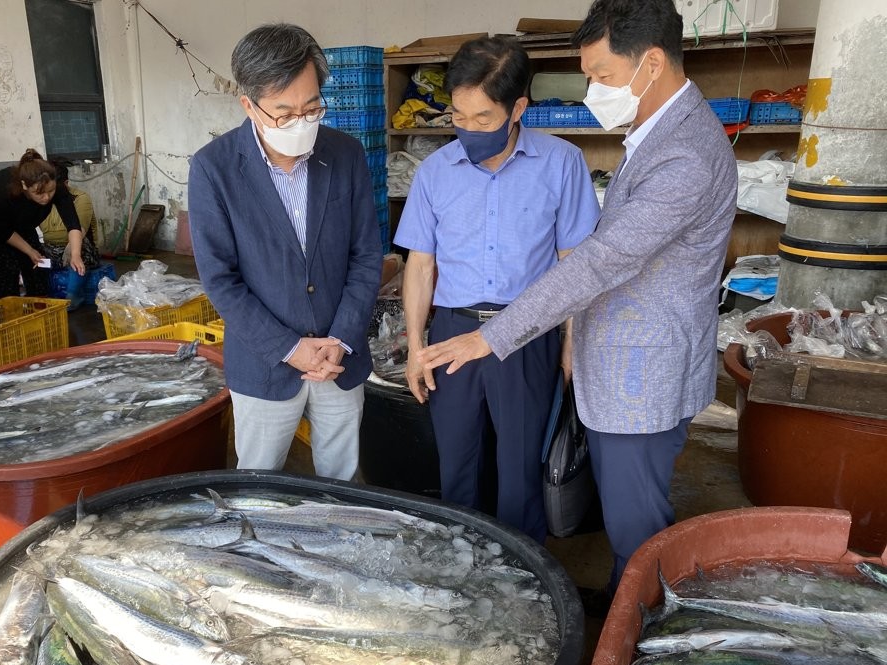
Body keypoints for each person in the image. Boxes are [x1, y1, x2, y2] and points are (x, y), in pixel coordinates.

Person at [416, 0, 738, 602]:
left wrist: (493, 335)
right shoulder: (657, 132)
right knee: (622, 512)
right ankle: (625, 598)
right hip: (621, 363)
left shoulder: (684, 153)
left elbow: (599, 259)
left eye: (603, 77)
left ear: (653, 63)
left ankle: (636, 633)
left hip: (642, 374)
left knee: (635, 518)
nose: (593, 90)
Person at [395, 36, 600, 542]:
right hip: (451, 333)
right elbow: (421, 267)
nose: (468, 130)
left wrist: (571, 343)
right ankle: (464, 565)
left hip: (528, 333)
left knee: (520, 470)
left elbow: (573, 264)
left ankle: (523, 574)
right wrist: (417, 348)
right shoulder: (435, 172)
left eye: (483, 119)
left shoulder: (562, 163)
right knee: (457, 466)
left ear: (518, 109)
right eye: (458, 117)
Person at [188, 23, 382, 481]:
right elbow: (221, 280)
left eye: (312, 107)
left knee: (343, 482)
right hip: (264, 364)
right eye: (284, 113)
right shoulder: (214, 169)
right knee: (259, 484)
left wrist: (340, 339)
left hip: (340, 358)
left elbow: (366, 256)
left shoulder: (345, 154)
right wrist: (290, 348)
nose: (302, 122)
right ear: (249, 106)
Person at [0, 149, 85, 299]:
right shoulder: (1, 192)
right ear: (25, 185)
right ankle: (11, 310)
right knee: (6, 270)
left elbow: (73, 223)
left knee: (39, 265)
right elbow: (3, 231)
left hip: (23, 225)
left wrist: (76, 255)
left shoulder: (55, 185)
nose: (46, 197)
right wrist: (29, 250)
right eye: (39, 193)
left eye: (50, 191)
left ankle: (39, 306)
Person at [40, 160, 102, 310]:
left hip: (77, 248)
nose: (48, 196)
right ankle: (41, 295)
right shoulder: (41, 200)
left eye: (52, 190)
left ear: (65, 183)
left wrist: (72, 251)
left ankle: (74, 296)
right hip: (52, 248)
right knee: (35, 253)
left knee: (78, 249)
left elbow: (79, 229)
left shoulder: (80, 198)